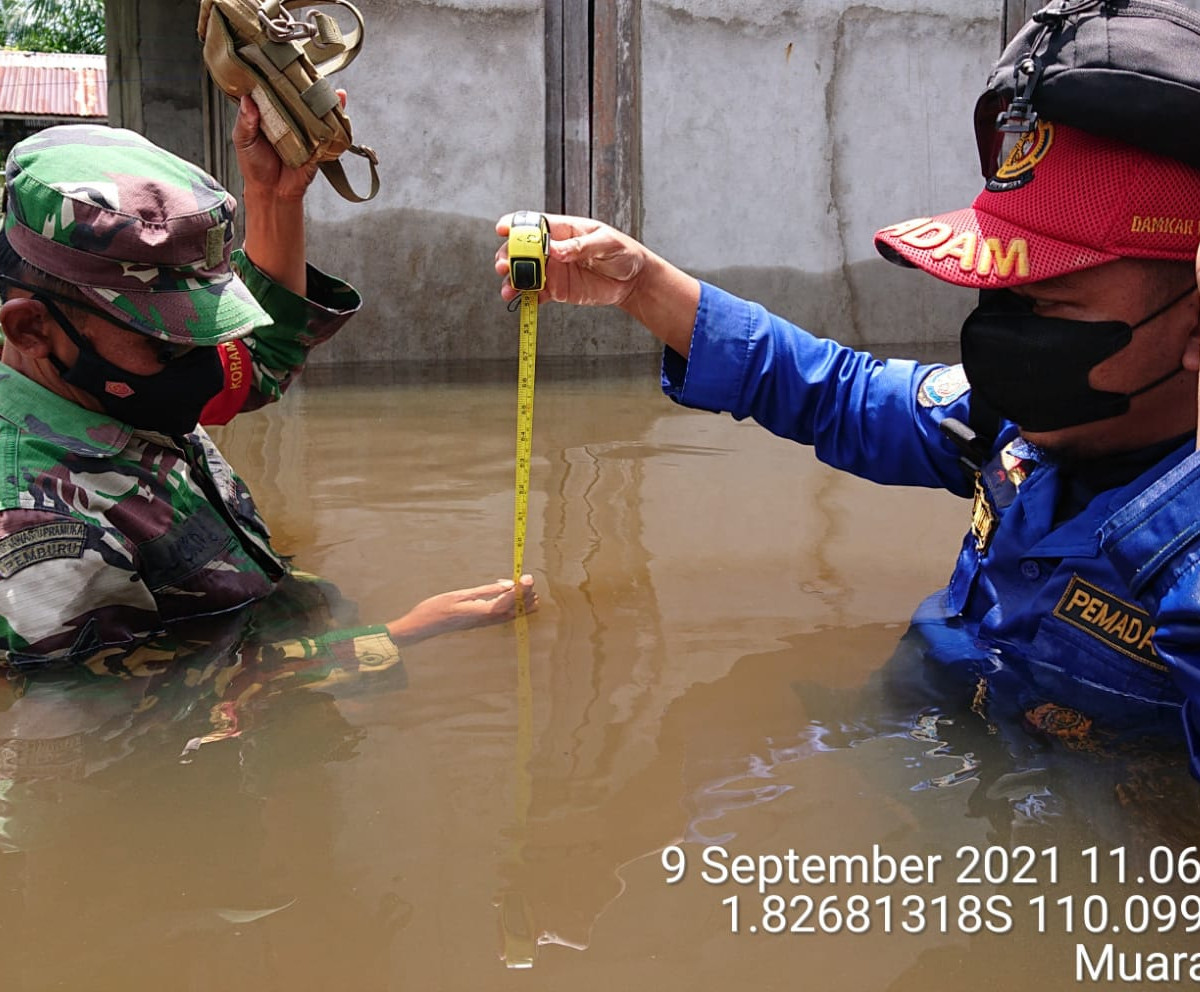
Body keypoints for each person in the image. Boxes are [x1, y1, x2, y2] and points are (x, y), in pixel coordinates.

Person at [496, 117, 1200, 776]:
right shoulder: (1013, 420)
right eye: (1000, 297)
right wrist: (643, 285)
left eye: (1049, 305)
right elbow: (835, 391)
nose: (1007, 341)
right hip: (918, 751)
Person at [0, 94, 535, 683]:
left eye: (211, 327)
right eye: (171, 340)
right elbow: (140, 725)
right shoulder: (39, 523)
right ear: (32, 328)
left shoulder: (110, 383)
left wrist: (276, 196)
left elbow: (259, 361)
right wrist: (400, 636)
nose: (209, 361)